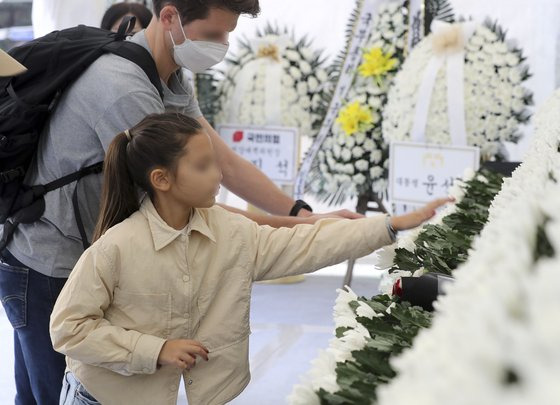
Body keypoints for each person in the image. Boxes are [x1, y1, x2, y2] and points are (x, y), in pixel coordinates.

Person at [0, 1, 361, 403]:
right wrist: (308, 229)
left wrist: (299, 212)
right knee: (56, 395)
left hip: (68, 259)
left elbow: (224, 162)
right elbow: (191, 204)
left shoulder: (166, 79)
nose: (223, 44)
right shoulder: (124, 88)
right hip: (49, 267)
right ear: (170, 17)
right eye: (214, 34)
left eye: (228, 34)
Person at [50, 113, 450, 405]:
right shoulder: (116, 247)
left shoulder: (232, 232)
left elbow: (307, 244)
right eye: (203, 166)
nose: (217, 177)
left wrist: (390, 225)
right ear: (161, 179)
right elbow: (68, 328)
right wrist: (153, 350)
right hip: (104, 397)